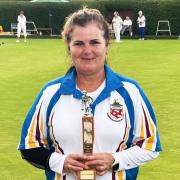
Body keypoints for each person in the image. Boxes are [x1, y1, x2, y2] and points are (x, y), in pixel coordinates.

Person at [18, 7, 162, 180]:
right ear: (69, 48)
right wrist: (59, 162)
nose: (87, 51)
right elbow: (28, 146)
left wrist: (115, 160)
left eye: (94, 42)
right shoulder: (51, 93)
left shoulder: (130, 91)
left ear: (106, 46)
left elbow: (150, 145)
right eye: (79, 43)